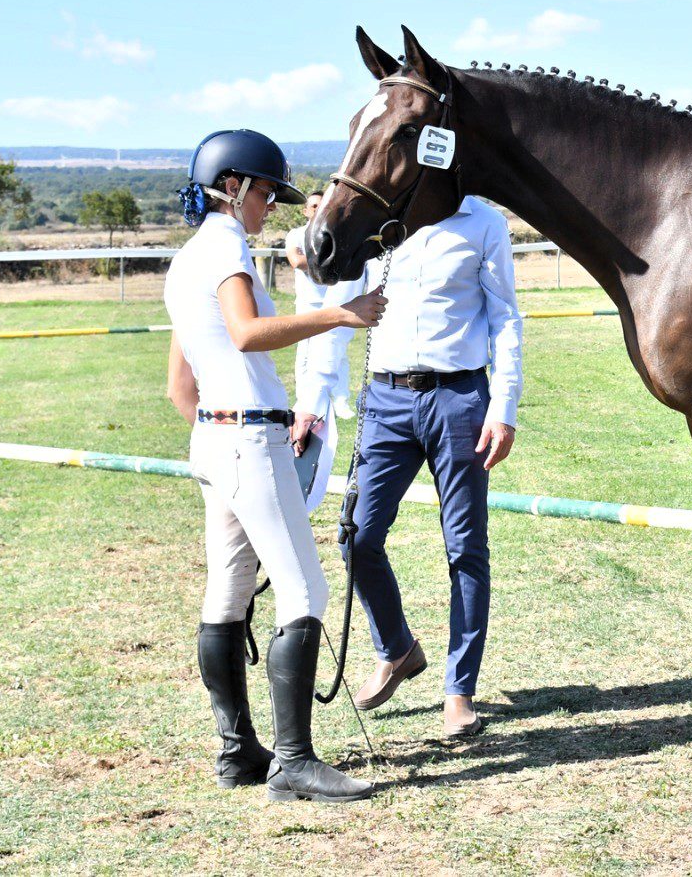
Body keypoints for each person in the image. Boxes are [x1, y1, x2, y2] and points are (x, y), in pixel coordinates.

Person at [164, 129, 385, 802]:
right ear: (230, 186)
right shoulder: (228, 244)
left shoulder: (184, 261)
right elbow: (247, 333)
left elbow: (178, 386)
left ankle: (237, 753)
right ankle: (293, 761)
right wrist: (341, 315)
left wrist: (223, 430)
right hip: (248, 441)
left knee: (228, 594)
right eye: (263, 192)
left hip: (212, 438)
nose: (270, 206)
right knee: (304, 593)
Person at [344, 195, 523, 741]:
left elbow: (505, 318)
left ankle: (458, 690)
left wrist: (504, 408)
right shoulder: (380, 217)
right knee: (357, 534)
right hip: (386, 399)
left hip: (460, 398)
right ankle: (397, 650)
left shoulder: (484, 222)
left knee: (465, 546)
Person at [285, 190, 363, 424]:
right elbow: (296, 261)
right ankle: (306, 401)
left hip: (332, 301)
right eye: (313, 206)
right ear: (305, 211)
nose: (317, 210)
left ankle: (340, 400)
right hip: (308, 304)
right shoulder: (296, 235)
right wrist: (327, 262)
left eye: (322, 205)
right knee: (306, 354)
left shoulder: (333, 236)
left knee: (338, 354)